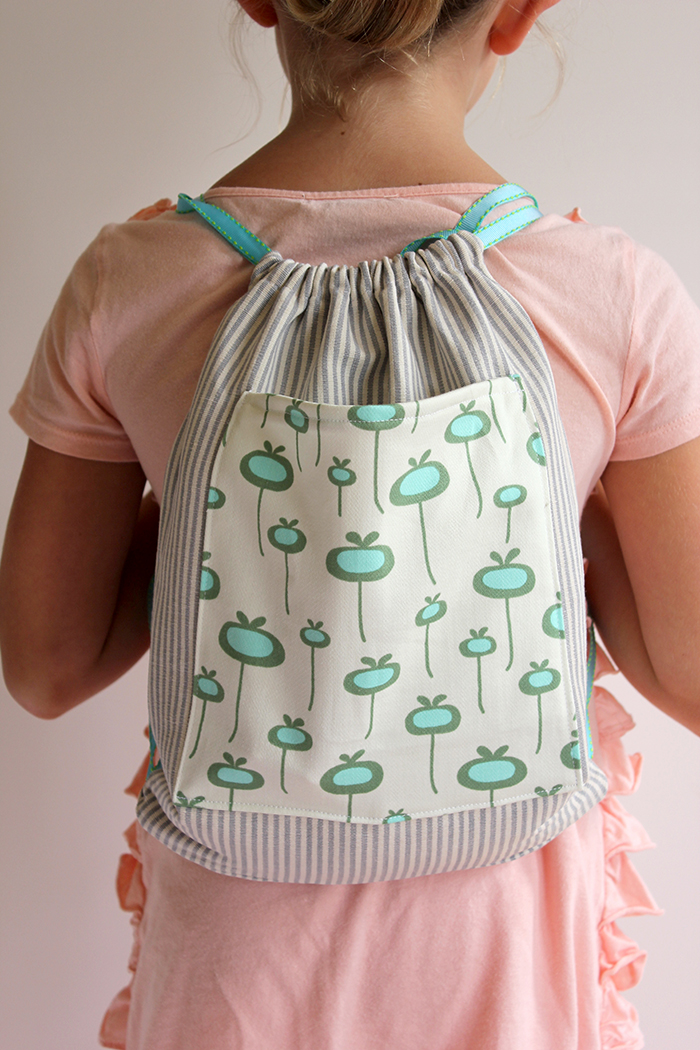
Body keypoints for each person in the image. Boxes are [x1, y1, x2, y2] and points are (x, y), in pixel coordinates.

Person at [2, 1, 699, 1046]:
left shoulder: (132, 280)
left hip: (235, 956)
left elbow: (47, 667)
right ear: (518, 14)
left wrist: (215, 489)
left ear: (262, 2)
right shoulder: (611, 293)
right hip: (503, 953)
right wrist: (552, 491)